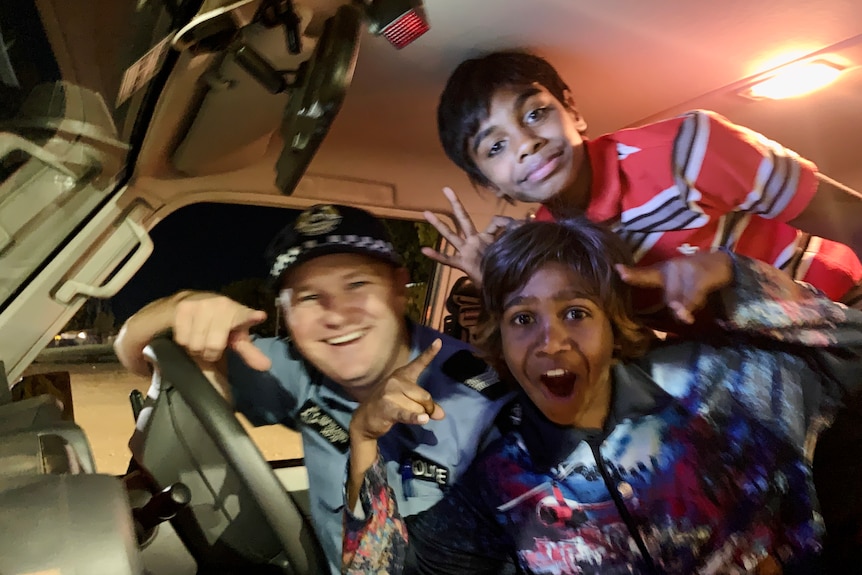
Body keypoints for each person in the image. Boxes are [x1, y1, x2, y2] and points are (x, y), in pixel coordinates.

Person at [342, 217, 862, 574]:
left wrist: (733, 274)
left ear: (614, 325)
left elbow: (852, 343)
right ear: (499, 339)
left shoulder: (715, 385)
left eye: (575, 313)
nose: (551, 342)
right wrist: (363, 443)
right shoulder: (497, 480)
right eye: (523, 319)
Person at [113, 203, 514, 574]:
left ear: (398, 288)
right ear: (285, 313)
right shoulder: (298, 369)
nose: (336, 315)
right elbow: (136, 354)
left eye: (356, 284)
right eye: (308, 296)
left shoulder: (479, 397)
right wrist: (183, 305)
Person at [426, 50, 862, 311]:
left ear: (573, 112)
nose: (526, 143)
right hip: (755, 365)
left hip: (840, 304)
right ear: (491, 184)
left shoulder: (690, 149)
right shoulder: (550, 247)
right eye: (495, 147)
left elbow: (853, 220)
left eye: (536, 114)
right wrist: (498, 283)